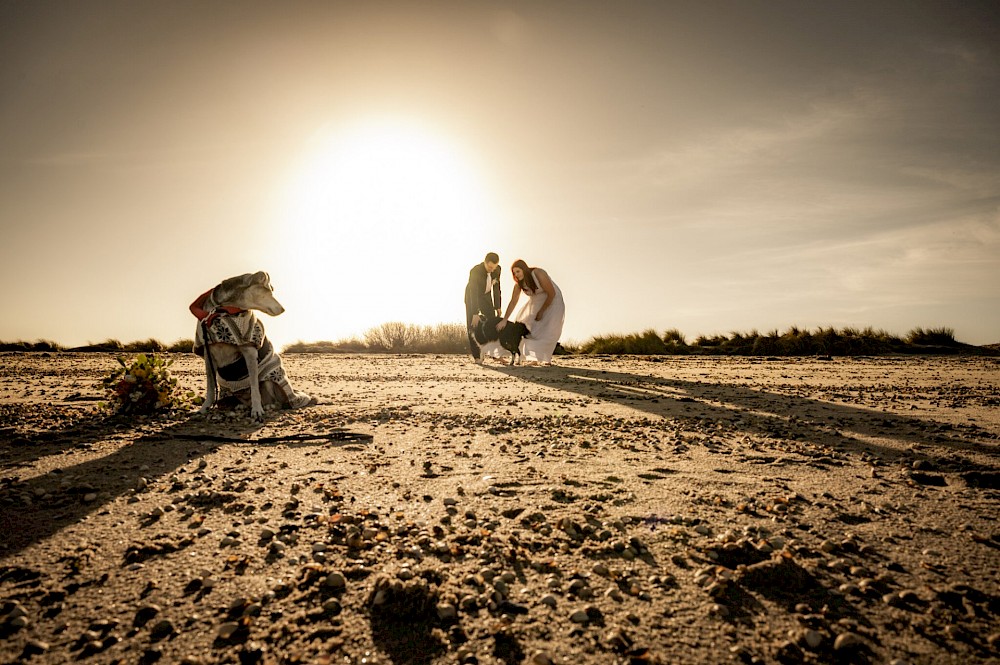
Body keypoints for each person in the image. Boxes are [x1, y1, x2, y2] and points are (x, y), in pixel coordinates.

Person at [497, 259, 565, 365]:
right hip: (536, 302)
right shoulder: (519, 284)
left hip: (553, 300)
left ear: (524, 269)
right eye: (514, 273)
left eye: (518, 271)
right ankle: (535, 359)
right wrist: (505, 319)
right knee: (530, 328)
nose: (516, 275)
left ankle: (546, 358)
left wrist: (542, 311)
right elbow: (513, 301)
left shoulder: (538, 273)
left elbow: (551, 293)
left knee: (548, 330)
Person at [464, 252, 502, 361]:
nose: (492, 270)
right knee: (473, 324)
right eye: (490, 267)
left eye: (494, 268)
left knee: (492, 321)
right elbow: (474, 293)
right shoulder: (475, 271)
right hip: (472, 298)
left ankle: (494, 354)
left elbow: (496, 288)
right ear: (485, 262)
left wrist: (497, 306)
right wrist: (475, 313)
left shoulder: (497, 270)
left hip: (486, 296)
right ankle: (477, 356)